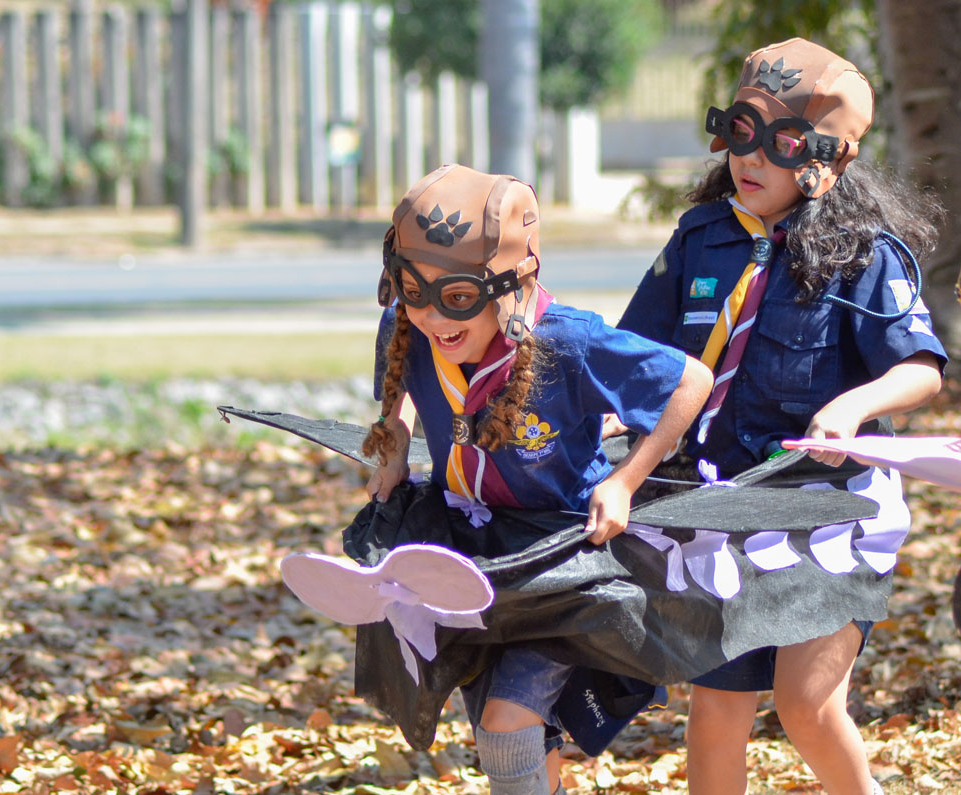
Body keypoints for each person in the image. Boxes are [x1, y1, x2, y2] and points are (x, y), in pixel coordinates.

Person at [614, 38, 947, 795]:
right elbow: (633, 354)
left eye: (782, 141)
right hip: (718, 510)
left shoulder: (865, 254)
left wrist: (854, 405)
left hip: (829, 515)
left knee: (806, 705)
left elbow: (919, 367)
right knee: (715, 712)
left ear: (830, 158)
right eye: (740, 130)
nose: (750, 157)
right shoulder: (698, 239)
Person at [360, 163, 713, 795]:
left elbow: (692, 382)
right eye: (412, 288)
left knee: (505, 729)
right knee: (521, 742)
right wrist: (396, 437)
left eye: (459, 297)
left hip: (563, 566)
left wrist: (627, 481)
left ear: (512, 282)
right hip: (472, 563)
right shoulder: (409, 327)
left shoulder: (568, 341)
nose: (434, 317)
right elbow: (404, 382)